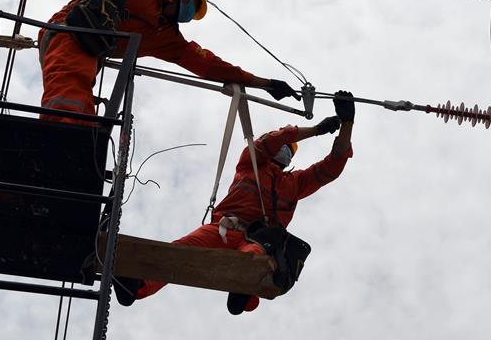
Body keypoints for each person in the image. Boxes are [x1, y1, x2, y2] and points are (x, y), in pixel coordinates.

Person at [113, 90, 356, 314]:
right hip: (224, 228)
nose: (284, 150)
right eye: (284, 146)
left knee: (254, 259)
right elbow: (270, 142)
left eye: (289, 150)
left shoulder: (294, 183)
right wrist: (316, 130)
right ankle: (137, 286)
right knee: (183, 249)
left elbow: (332, 167)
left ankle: (243, 295)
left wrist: (347, 124)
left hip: (258, 239)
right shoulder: (251, 161)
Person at [38, 0, 298, 123]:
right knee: (69, 95)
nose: (188, 14)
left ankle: (74, 149)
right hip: (69, 31)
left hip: (91, 51)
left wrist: (265, 84)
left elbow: (210, 66)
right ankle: (57, 140)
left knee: (84, 112)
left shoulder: (167, 39)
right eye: (191, 5)